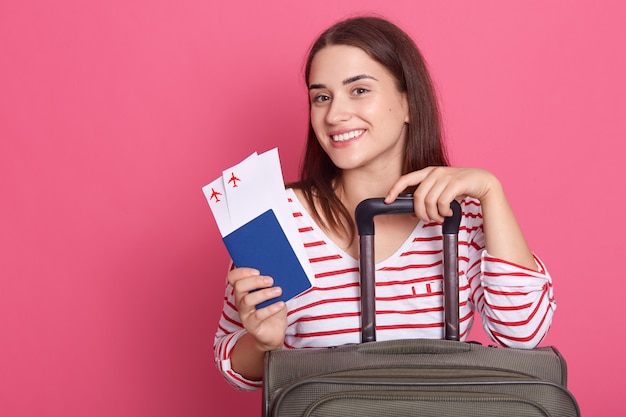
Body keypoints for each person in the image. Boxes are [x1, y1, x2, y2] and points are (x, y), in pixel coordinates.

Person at [213, 16, 556, 391]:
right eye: (321, 97)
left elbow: (522, 335)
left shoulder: (463, 216)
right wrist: (264, 343)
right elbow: (232, 360)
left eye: (359, 90)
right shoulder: (275, 218)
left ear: (409, 103)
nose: (334, 115)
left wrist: (491, 190)